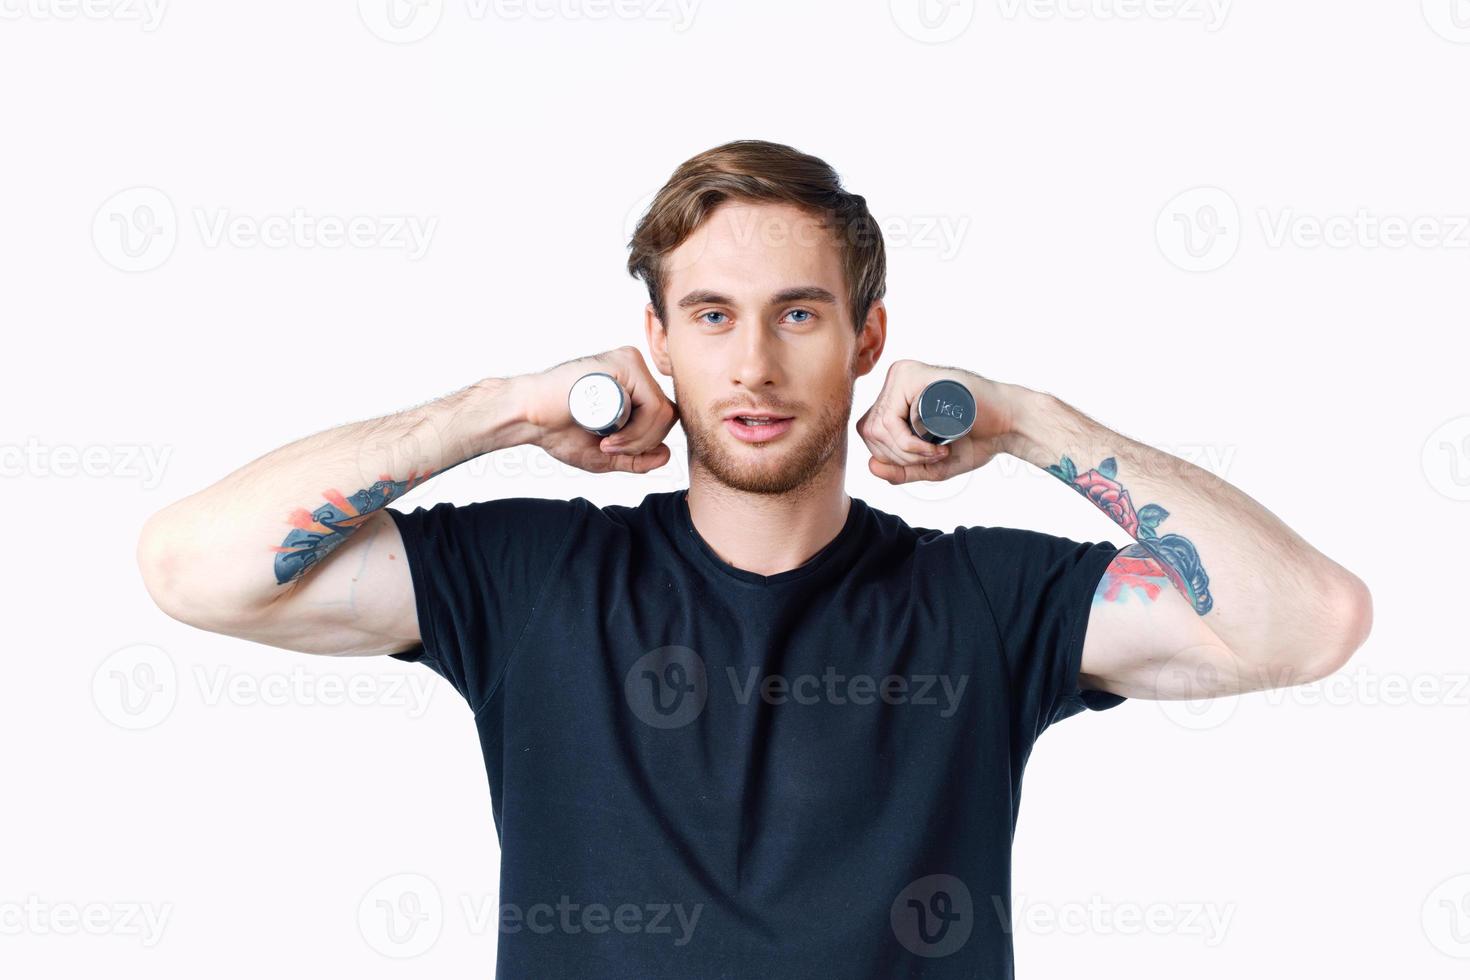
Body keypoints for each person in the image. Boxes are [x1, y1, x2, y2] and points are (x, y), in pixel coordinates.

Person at [136, 140, 1373, 978]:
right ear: (658, 342)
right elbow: (194, 567)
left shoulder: (985, 600)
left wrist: (1034, 425)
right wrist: (506, 409)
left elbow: (1311, 621)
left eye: (800, 311)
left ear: (866, 335)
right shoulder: (529, 581)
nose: (756, 366)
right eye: (713, 316)